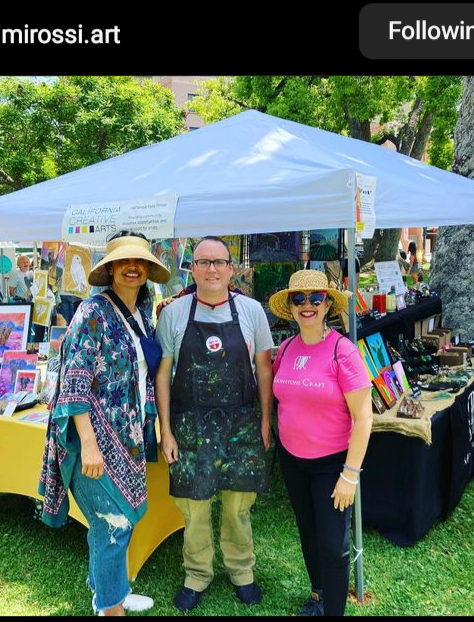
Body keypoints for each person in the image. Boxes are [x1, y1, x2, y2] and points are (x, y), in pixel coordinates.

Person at [39, 231, 170, 616]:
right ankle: (111, 609)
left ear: (147, 268)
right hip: (92, 441)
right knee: (111, 525)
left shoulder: (144, 314)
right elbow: (75, 379)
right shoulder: (92, 313)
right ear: (110, 268)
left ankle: (109, 592)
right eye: (125, 261)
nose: (133, 267)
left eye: (140, 261)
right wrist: (90, 444)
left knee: (114, 526)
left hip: (126, 440)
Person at [155, 236, 274, 612]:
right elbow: (162, 376)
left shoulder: (252, 311)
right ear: (191, 268)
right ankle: (197, 575)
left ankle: (242, 572)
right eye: (203, 262)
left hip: (241, 423)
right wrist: (166, 430)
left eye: (219, 262)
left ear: (231, 268)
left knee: (238, 505)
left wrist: (266, 421)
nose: (211, 269)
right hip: (189, 426)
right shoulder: (173, 314)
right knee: (195, 507)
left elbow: (264, 369)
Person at [268, 270, 373, 616]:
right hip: (293, 459)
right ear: (291, 306)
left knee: (333, 545)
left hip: (332, 464)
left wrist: (350, 474)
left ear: (328, 303)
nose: (308, 305)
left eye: (316, 298)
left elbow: (364, 418)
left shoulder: (343, 352)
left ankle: (334, 610)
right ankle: (318, 596)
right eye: (300, 299)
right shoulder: (285, 348)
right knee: (308, 532)